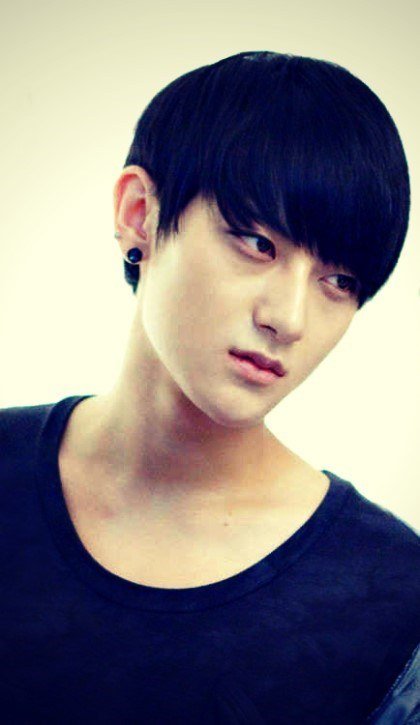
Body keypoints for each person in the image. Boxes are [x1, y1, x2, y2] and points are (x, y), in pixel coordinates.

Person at [0, 50, 418, 724]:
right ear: (140, 213)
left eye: (338, 281)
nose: (288, 318)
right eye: (256, 242)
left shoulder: (396, 595)